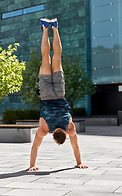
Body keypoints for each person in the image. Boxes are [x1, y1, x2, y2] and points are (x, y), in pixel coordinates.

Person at [26, 18, 88, 171]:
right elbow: (35, 147)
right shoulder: (44, 129)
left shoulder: (70, 127)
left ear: (64, 133)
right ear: (53, 136)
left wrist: (79, 161)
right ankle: (45, 28)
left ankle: (54, 27)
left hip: (59, 94)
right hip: (46, 94)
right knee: (46, 58)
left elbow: (76, 146)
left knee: (57, 58)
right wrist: (32, 165)